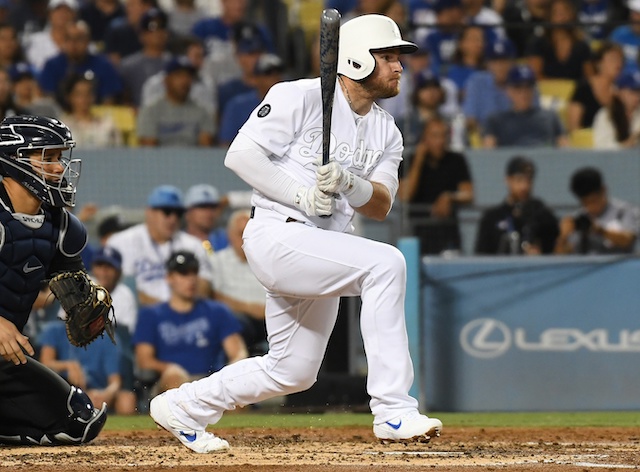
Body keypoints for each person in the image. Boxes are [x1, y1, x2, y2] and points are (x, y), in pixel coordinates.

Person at [149, 14, 443, 454]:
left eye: (398, 57)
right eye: (388, 56)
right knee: (387, 263)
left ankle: (183, 405)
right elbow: (240, 155)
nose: (399, 65)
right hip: (277, 235)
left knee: (293, 371)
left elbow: (380, 204)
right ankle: (393, 409)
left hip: (326, 248)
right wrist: (302, 195)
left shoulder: (388, 130)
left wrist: (349, 183)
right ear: (358, 60)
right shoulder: (299, 96)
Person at [0, 115, 109, 445]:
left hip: (6, 357)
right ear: (12, 160)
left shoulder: (61, 226)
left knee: (78, 422)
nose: (59, 167)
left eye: (59, 157)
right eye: (46, 157)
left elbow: (72, 283)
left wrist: (85, 306)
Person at [133, 250, 247, 396]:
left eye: (194, 273)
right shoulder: (151, 315)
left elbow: (238, 352)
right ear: (169, 278)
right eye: (184, 273)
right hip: (170, 382)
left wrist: (228, 377)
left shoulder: (217, 311)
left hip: (211, 382)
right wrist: (168, 368)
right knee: (175, 380)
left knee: (235, 389)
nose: (191, 279)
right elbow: (144, 360)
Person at [39, 248, 137, 416]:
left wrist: (105, 394)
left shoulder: (107, 335)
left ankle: (115, 439)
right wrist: (67, 365)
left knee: (126, 401)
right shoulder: (54, 330)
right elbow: (45, 363)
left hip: (97, 391)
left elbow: (115, 382)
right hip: (64, 390)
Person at [106, 184, 213, 306]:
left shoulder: (193, 244)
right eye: (167, 212)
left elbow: (204, 285)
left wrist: (178, 309)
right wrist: (165, 311)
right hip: (138, 313)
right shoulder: (121, 242)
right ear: (149, 212)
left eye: (178, 213)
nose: (173, 219)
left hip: (185, 313)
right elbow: (123, 288)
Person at [398, 116, 474, 255]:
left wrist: (449, 197)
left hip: (448, 232)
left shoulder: (456, 160)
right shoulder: (409, 161)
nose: (440, 141)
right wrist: (419, 159)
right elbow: (405, 195)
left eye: (444, 136)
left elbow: (468, 194)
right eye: (435, 136)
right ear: (424, 138)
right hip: (417, 231)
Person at [209, 210, 267, 356]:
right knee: (235, 322)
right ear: (229, 236)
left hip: (271, 317)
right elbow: (215, 297)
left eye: (249, 232)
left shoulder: (268, 261)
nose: (245, 238)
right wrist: (249, 308)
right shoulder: (217, 262)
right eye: (240, 233)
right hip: (238, 321)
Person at [475, 156, 559, 255]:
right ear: (507, 180)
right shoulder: (492, 218)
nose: (524, 186)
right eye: (519, 180)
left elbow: (554, 249)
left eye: (528, 180)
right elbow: (480, 255)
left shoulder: (543, 215)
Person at [556, 167, 640, 255]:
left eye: (593, 201)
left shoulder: (625, 211)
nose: (590, 207)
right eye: (585, 203)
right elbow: (562, 256)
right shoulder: (579, 220)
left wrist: (599, 230)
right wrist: (563, 238)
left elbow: (628, 240)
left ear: (603, 190)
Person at [38, 20, 123, 105]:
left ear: (88, 41)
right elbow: (48, 99)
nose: (73, 44)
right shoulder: (52, 65)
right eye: (69, 39)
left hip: (96, 114)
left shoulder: (104, 65)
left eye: (79, 39)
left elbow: (109, 100)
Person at [137, 55, 215, 147]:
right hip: (159, 161)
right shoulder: (150, 111)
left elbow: (205, 150)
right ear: (166, 80)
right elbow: (148, 151)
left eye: (188, 76)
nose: (184, 81)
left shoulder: (202, 111)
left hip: (193, 160)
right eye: (179, 75)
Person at [483, 64, 568, 148]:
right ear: (508, 90)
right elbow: (489, 155)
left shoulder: (551, 117)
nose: (524, 92)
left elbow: (566, 151)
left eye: (528, 87)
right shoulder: (495, 121)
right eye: (518, 87)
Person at [218, 53, 285, 146]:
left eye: (277, 74)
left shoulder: (290, 105)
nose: (275, 79)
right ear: (256, 79)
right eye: (268, 74)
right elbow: (225, 143)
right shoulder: (237, 106)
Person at [525, 0, 593, 81]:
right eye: (556, 12)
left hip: (575, 91)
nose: (561, 16)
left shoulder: (582, 46)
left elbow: (590, 78)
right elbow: (535, 75)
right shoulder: (538, 43)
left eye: (565, 11)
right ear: (549, 15)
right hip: (545, 91)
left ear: (572, 14)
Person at [567, 42, 625, 132]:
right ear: (599, 64)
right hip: (587, 141)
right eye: (613, 59)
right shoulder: (583, 88)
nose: (618, 64)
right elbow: (574, 126)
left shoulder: (622, 91)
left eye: (620, 60)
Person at [119, 8, 171, 107]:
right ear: (141, 35)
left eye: (162, 26)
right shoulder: (128, 66)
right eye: (151, 27)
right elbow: (122, 100)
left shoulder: (175, 65)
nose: (158, 31)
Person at [59, 74, 122, 148]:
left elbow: (118, 152)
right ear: (69, 97)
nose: (84, 99)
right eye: (79, 94)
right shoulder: (62, 128)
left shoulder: (107, 125)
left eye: (88, 93)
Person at [592, 70, 640, 149]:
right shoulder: (605, 115)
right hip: (612, 160)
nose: (638, 96)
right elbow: (601, 147)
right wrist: (627, 144)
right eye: (633, 91)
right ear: (619, 92)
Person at [184, 183, 228, 253]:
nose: (208, 213)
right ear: (188, 212)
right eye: (202, 207)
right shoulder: (178, 242)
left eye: (213, 207)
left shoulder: (227, 239)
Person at [609, 0, 640, 74]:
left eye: (638, 14)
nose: (634, 17)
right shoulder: (618, 33)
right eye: (633, 13)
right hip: (618, 80)